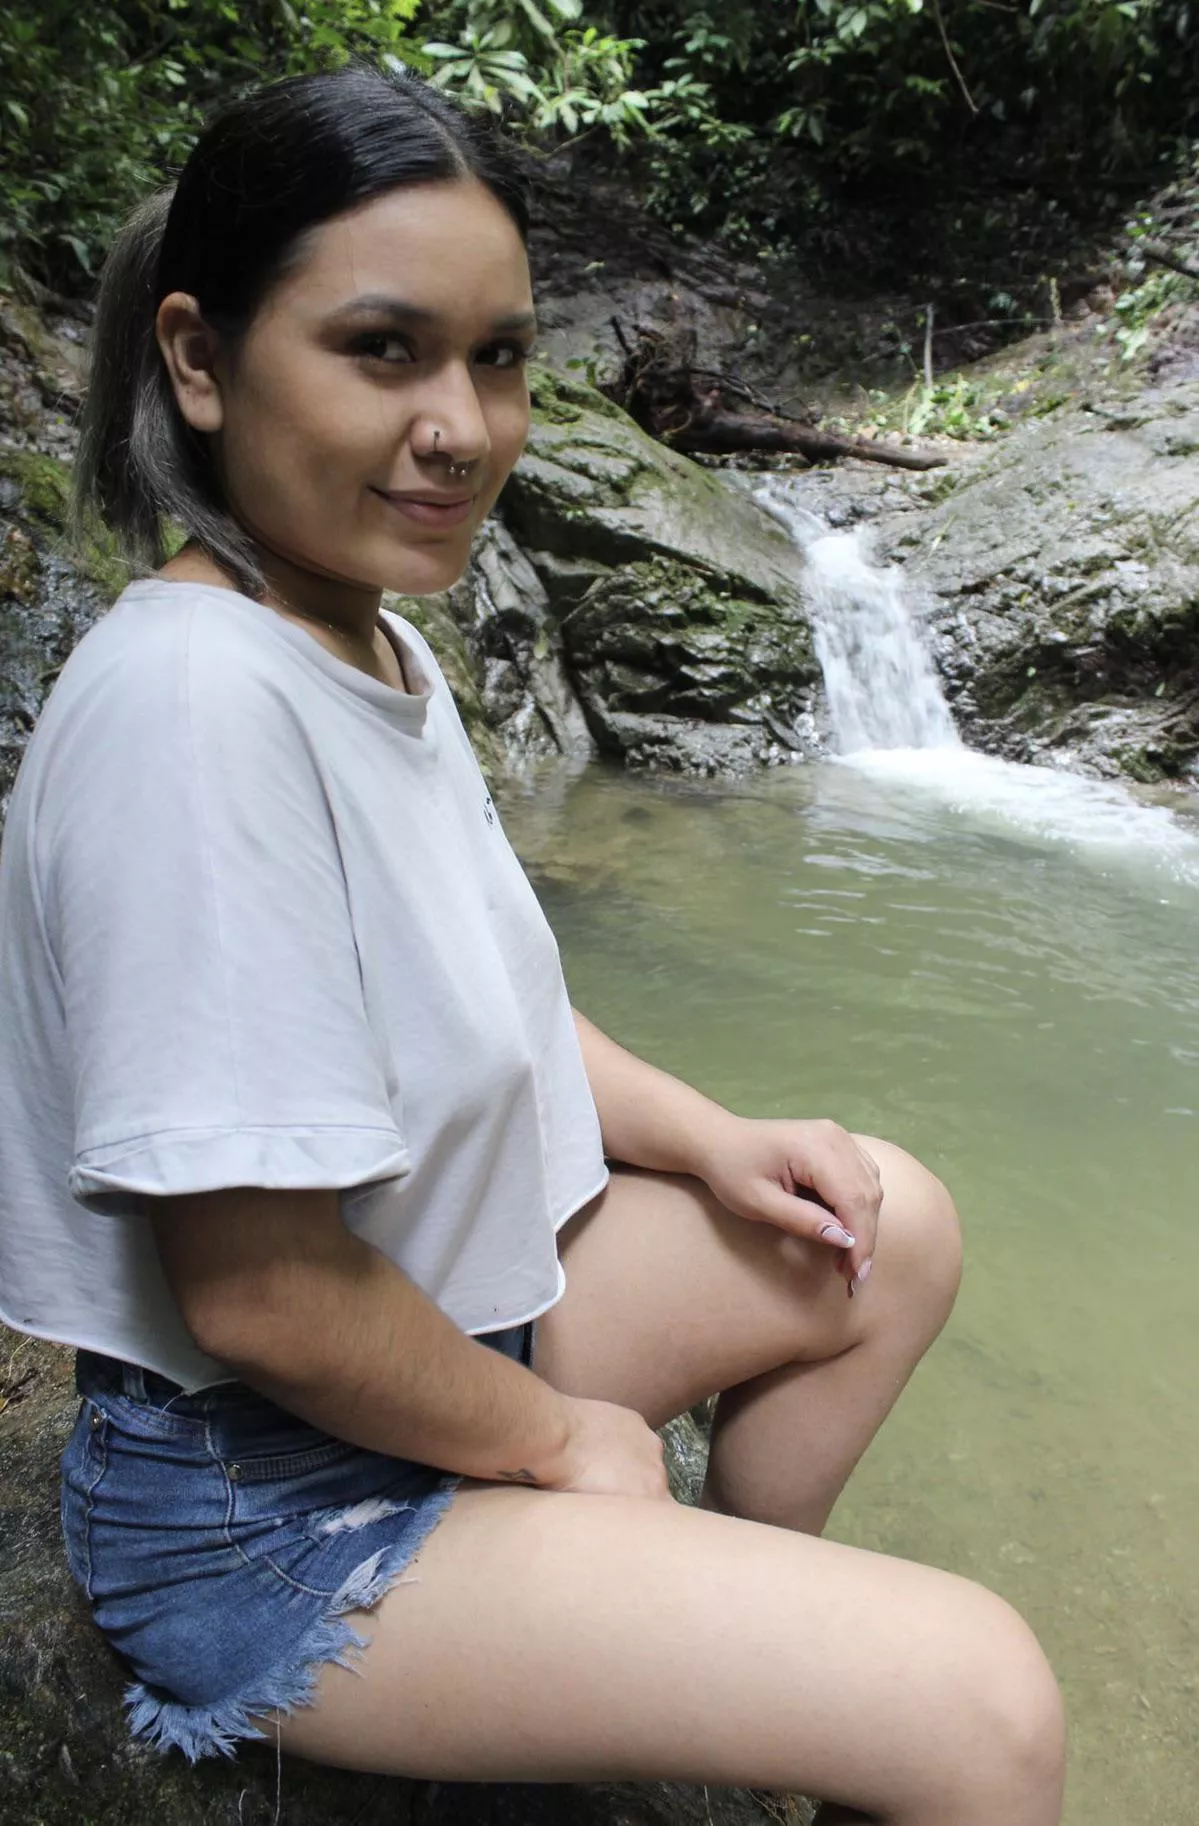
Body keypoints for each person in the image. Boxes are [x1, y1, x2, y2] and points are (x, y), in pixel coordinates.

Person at [0, 62, 1065, 1825]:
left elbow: (491, 1000)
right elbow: (256, 1286)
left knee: (883, 1226)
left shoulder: (358, 644)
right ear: (197, 360)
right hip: (268, 1507)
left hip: (441, 1342)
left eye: (496, 356)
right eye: (383, 348)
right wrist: (564, 1445)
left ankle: (745, 1654)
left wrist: (722, 1139)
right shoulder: (194, 705)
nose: (463, 424)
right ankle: (821, 1683)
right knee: (989, 1706)